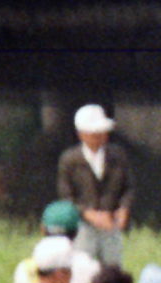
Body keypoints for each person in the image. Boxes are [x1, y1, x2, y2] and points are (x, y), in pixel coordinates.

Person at [54, 105, 135, 272]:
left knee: (113, 270)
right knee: (82, 269)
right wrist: (89, 214)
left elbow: (128, 187)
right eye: (95, 133)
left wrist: (123, 209)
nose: (101, 137)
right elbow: (66, 196)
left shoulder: (117, 155)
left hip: (111, 224)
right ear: (81, 134)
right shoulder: (69, 160)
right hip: (83, 226)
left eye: (103, 132)